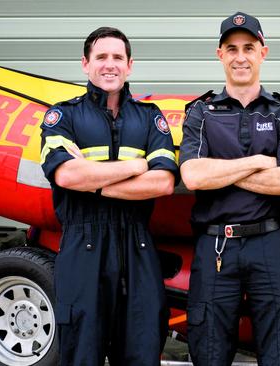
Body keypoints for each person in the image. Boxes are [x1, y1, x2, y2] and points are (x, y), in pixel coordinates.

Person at [40, 27, 178, 365]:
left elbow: (162, 183)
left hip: (138, 247)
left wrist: (94, 179)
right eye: (101, 57)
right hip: (82, 246)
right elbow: (66, 174)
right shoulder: (63, 116)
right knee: (81, 354)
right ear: (86, 64)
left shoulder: (149, 118)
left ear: (130, 65)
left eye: (118, 57)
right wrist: (136, 165)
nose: (110, 65)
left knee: (142, 351)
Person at [179, 11, 280, 366]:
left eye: (248, 47)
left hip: (270, 243)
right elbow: (193, 177)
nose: (240, 57)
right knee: (209, 351)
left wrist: (220, 169)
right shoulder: (201, 114)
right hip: (216, 244)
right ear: (219, 54)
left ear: (263, 52)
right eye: (231, 48)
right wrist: (260, 162)